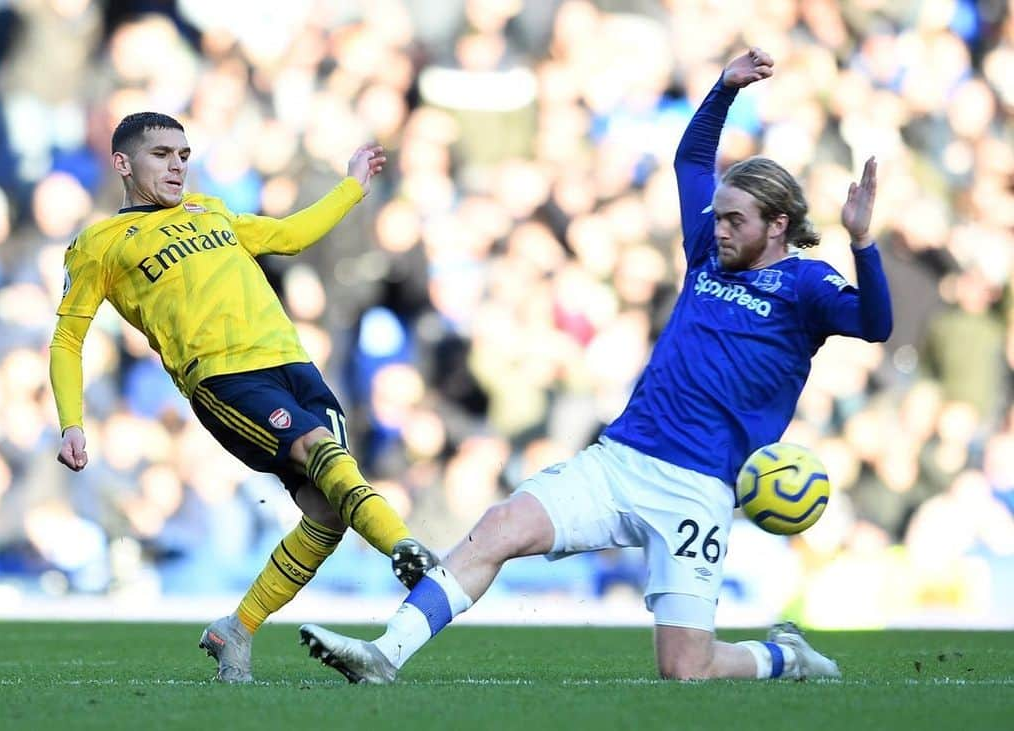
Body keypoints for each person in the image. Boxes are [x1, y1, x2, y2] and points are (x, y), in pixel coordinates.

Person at [299, 48, 893, 683]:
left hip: (699, 489)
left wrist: (862, 241)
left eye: (734, 220)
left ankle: (783, 657)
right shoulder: (707, 255)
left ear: (778, 225)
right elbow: (691, 159)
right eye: (716, 215)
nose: (717, 229)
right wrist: (722, 89)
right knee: (499, 527)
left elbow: (876, 325)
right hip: (620, 461)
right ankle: (383, 655)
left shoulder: (807, 287)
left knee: (685, 670)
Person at [49, 112, 437, 683]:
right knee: (317, 450)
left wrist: (353, 186)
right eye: (161, 155)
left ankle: (237, 629)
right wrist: (72, 422)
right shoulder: (100, 244)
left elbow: (289, 236)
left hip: (294, 363)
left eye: (183, 154)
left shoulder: (212, 210)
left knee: (327, 512)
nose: (177, 164)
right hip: (223, 378)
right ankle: (413, 557)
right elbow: (67, 337)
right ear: (123, 164)